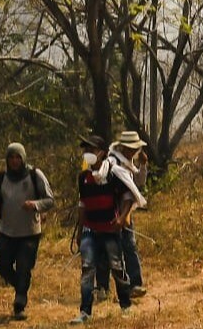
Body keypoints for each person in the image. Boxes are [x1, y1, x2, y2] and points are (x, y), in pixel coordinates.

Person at [71, 135, 146, 324]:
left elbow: (129, 196)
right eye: (86, 150)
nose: (87, 154)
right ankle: (85, 311)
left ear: (102, 153)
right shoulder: (83, 178)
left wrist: (122, 218)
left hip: (110, 229)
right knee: (87, 269)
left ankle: (125, 304)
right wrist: (80, 232)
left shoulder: (114, 174)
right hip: (90, 229)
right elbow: (82, 205)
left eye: (92, 150)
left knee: (117, 267)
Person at [0, 142, 55, 322]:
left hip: (29, 232)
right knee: (2, 266)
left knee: (24, 267)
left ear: (23, 158)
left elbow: (49, 200)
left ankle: (20, 303)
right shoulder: (0, 178)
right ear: (7, 160)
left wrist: (35, 205)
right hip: (7, 232)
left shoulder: (35, 175)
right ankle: (21, 286)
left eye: (18, 157)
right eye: (11, 158)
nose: (15, 161)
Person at [112, 130, 150, 297]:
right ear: (123, 147)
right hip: (112, 211)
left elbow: (138, 183)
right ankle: (114, 288)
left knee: (129, 246)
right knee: (113, 250)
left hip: (125, 212)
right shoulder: (113, 162)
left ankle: (134, 284)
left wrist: (143, 165)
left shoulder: (128, 163)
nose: (134, 151)